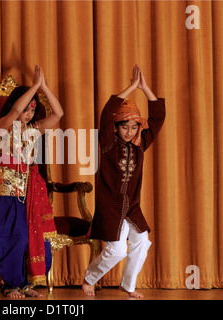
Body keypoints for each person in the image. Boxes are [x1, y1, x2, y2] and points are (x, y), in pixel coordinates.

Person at [82, 65, 166, 298]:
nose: (129, 132)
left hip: (132, 207)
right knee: (117, 250)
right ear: (116, 127)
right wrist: (130, 87)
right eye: (124, 127)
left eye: (133, 127)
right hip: (110, 207)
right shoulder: (108, 144)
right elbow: (108, 111)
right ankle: (89, 278)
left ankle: (128, 286)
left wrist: (145, 88)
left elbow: (158, 117)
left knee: (142, 242)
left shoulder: (140, 144)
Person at [0, 65, 64, 298]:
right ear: (14, 108)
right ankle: (10, 285)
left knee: (32, 238)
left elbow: (58, 114)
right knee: (15, 237)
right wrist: (33, 87)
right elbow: (15, 111)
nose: (29, 113)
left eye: (33, 109)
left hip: (29, 192)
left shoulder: (33, 130)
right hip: (7, 191)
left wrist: (44, 87)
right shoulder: (2, 126)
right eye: (26, 109)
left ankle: (26, 285)